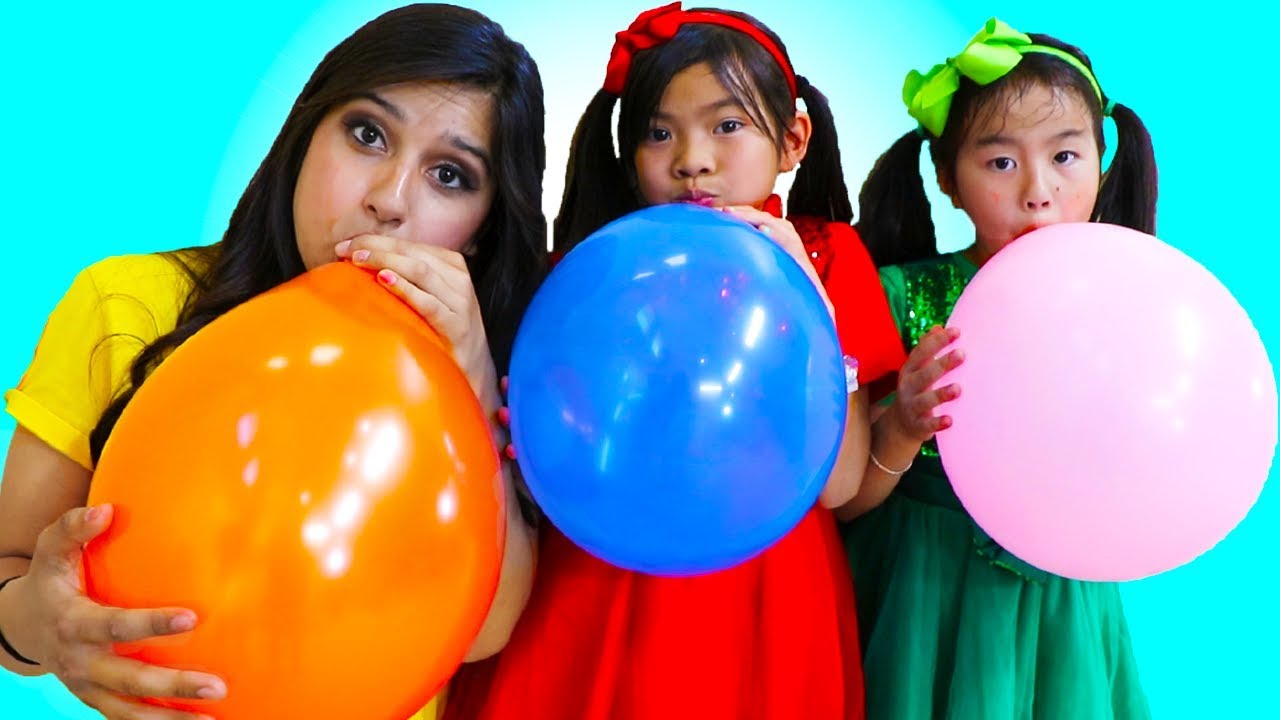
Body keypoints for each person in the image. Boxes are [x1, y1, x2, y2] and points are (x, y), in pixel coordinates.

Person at [0, 5, 546, 719]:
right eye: (368, 134)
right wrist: (34, 625)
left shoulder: (488, 379)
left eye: (449, 174)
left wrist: (473, 378)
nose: (388, 201)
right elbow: (11, 575)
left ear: (479, 231)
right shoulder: (126, 304)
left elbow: (484, 634)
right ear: (305, 134)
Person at [444, 4, 903, 719]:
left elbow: (839, 484)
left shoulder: (827, 256)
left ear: (792, 139)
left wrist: (813, 307)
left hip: (766, 590)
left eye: (727, 125)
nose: (692, 159)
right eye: (659, 133)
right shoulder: (591, 274)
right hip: (600, 576)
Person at [840, 17, 1157, 719]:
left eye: (1065, 156)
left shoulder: (1132, 303)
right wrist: (903, 425)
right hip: (921, 593)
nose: (1038, 190)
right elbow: (841, 501)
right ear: (948, 180)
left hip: (1060, 599)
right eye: (1001, 163)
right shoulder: (899, 296)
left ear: (1102, 162)